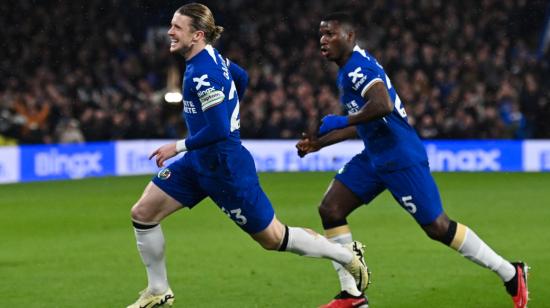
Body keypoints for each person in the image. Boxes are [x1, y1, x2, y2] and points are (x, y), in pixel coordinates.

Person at [127, 4, 370, 308]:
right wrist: (230, 108)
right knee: (143, 213)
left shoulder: (204, 73)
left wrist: (175, 146)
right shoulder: (209, 60)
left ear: (197, 34)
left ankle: (346, 254)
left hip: (226, 170)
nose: (170, 32)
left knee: (273, 238)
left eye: (177, 27)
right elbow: (241, 77)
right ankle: (158, 290)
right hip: (199, 162)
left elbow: (218, 131)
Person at [296, 12, 529, 308]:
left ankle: (510, 273)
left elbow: (383, 104)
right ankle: (351, 295)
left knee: (438, 227)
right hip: (375, 155)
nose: (323, 40)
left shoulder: (358, 68)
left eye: (330, 34)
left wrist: (341, 119)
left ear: (350, 37)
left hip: (399, 157)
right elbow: (364, 121)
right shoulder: (347, 71)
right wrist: (320, 144)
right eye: (321, 34)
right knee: (331, 209)